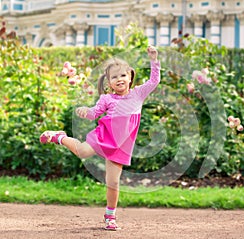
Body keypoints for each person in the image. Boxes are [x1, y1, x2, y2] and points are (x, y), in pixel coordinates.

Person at [39, 46, 160, 231]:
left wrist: (154, 60)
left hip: (120, 145)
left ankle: (110, 216)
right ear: (109, 82)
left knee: (113, 182)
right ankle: (60, 137)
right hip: (104, 136)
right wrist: (85, 112)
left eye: (122, 76)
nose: (119, 80)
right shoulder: (106, 99)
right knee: (82, 151)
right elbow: (94, 114)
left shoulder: (138, 94)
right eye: (114, 77)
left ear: (130, 77)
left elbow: (154, 81)